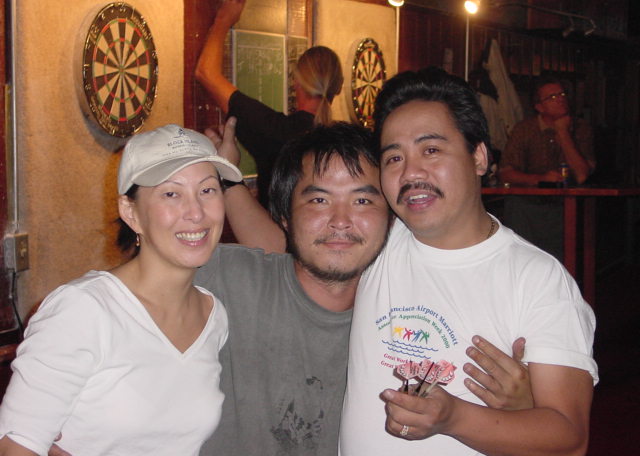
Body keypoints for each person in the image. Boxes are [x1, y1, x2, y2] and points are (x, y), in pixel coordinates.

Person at [195, 122, 534, 456]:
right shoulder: (225, 278)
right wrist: (222, 181)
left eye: (362, 201)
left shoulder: (406, 318)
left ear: (392, 219)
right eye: (318, 200)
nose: (341, 221)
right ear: (285, 215)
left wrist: (523, 408)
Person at [340, 68, 598, 455]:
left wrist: (453, 417)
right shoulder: (375, 241)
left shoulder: (538, 279)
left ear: (478, 157)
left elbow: (570, 439)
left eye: (431, 150)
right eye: (394, 157)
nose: (410, 172)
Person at [0, 124, 243, 456]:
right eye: (171, 193)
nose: (196, 212)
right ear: (131, 212)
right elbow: (14, 447)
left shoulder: (213, 316)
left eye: (208, 190)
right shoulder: (84, 310)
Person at [195, 0, 344, 208]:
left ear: (296, 81)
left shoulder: (277, 131)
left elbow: (206, 73)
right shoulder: (340, 140)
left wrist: (223, 20)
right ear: (339, 86)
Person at [498, 76, 596, 259]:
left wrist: (563, 133)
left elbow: (582, 174)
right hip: (527, 206)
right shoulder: (524, 129)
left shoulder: (580, 128)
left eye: (562, 94)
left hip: (565, 206)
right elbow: (506, 173)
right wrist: (540, 179)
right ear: (539, 107)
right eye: (552, 97)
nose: (560, 99)